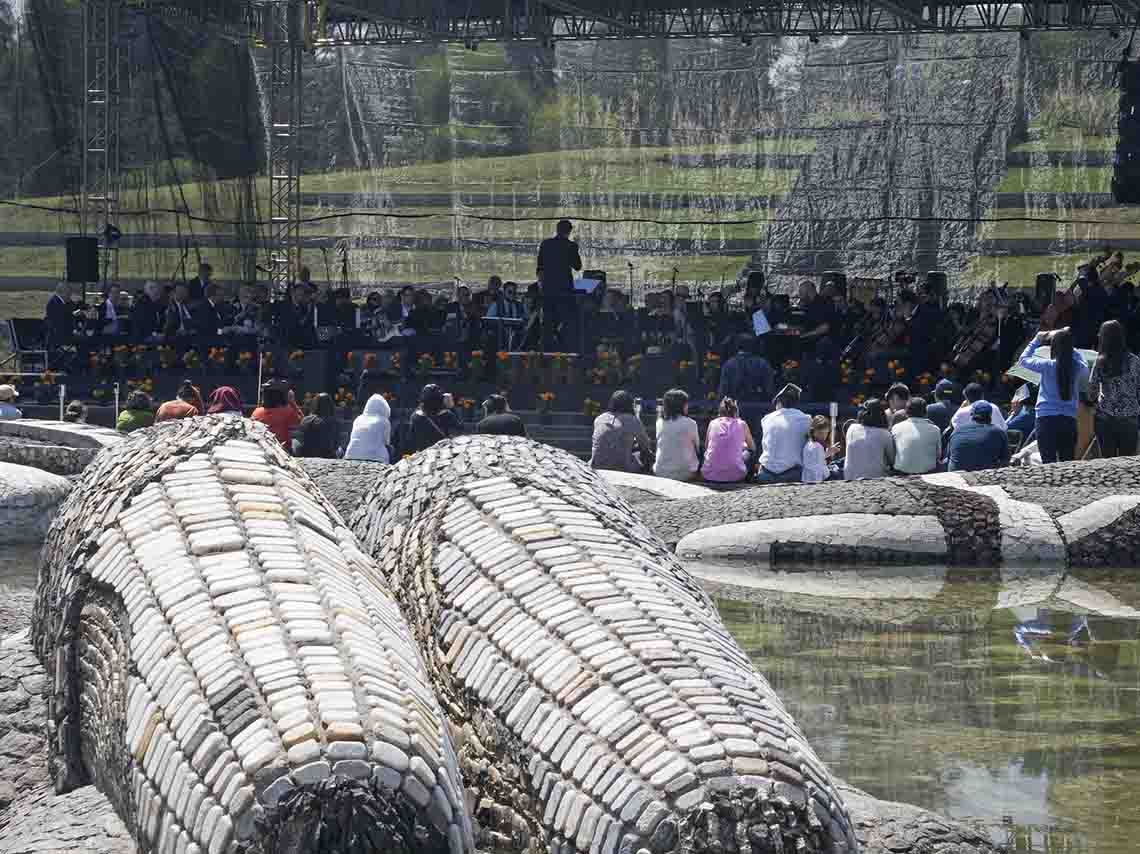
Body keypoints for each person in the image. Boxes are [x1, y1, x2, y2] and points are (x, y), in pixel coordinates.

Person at [1018, 326, 1088, 463]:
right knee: (1066, 463)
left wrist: (1036, 340)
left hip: (1046, 419)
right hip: (1069, 420)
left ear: (1054, 347)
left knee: (1047, 463)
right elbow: (1084, 365)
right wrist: (1069, 345)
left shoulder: (1046, 365)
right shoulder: (1078, 366)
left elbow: (1023, 359)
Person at [1088, 318, 1140, 457]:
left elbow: (1091, 393)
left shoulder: (1100, 362)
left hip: (1105, 418)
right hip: (1130, 419)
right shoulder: (1135, 361)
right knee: (1127, 462)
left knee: (1107, 461)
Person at [536, 219, 582, 352]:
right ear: (569, 231)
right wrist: (576, 248)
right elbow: (578, 267)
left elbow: (540, 267)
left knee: (548, 322)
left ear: (557, 229)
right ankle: (565, 350)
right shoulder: (571, 246)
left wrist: (542, 285)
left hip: (548, 290)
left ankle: (546, 351)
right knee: (566, 321)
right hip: (564, 291)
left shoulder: (545, 244)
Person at [756, 383, 811, 483]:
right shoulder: (806, 419)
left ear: (779, 403)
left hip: (766, 475)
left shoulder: (766, 419)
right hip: (793, 474)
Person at [589, 390, 652, 473]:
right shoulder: (632, 420)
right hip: (621, 468)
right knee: (645, 455)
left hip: (596, 465)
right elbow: (645, 445)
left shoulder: (599, 419)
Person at [703, 397, 757, 483]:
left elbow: (706, 447)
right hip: (736, 475)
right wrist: (743, 447)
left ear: (720, 412)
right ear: (735, 412)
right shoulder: (742, 424)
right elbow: (752, 447)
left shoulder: (712, 423)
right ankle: (749, 478)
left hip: (709, 475)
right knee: (751, 451)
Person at [653, 388, 701, 481]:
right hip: (685, 473)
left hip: (660, 471)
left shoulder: (659, 422)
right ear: (681, 406)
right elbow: (697, 447)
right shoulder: (691, 423)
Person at [947, 401, 1010, 471]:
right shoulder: (998, 432)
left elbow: (949, 456)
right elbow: (1006, 460)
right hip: (981, 477)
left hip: (955, 475)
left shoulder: (957, 430)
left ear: (971, 414)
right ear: (990, 415)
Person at [844, 398, 896, 480]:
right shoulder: (885, 434)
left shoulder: (852, 428)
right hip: (875, 479)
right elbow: (893, 461)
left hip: (850, 477)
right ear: (882, 415)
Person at [404, 384, 462, 456]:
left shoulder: (415, 416)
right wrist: (451, 407)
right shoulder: (448, 415)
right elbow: (458, 436)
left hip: (423, 456)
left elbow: (411, 439)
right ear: (440, 399)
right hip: (444, 455)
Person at [891, 397, 942, 475]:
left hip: (901, 473)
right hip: (928, 473)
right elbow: (938, 455)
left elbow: (893, 453)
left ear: (906, 412)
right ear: (925, 412)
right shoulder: (935, 429)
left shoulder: (896, 428)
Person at [718, 335, 774, 402]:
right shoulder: (763, 364)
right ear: (753, 346)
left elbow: (723, 391)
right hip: (759, 407)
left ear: (737, 346)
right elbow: (769, 390)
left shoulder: (728, 364)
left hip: (735, 407)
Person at [252, 382, 304, 450]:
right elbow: (302, 424)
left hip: (262, 446)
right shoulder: (288, 411)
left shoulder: (256, 412)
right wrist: (292, 402)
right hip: (282, 448)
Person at [344, 394, 393, 463]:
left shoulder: (358, 419)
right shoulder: (384, 421)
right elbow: (386, 442)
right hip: (376, 457)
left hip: (351, 454)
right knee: (390, 449)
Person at [295, 393, 340, 458]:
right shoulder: (335, 422)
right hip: (327, 455)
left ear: (315, 405)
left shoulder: (306, 420)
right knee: (340, 450)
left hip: (307, 454)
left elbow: (301, 439)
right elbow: (336, 444)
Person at [802, 414, 840, 483]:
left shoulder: (809, 444)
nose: (823, 436)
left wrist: (828, 453)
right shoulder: (817, 446)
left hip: (807, 478)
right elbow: (818, 469)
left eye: (826, 433)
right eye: (820, 433)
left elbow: (816, 460)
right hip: (818, 478)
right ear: (813, 431)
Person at [44, 281, 76, 349]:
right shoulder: (55, 303)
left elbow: (72, 307)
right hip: (58, 337)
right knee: (84, 340)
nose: (70, 296)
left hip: (62, 334)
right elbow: (62, 322)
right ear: (63, 293)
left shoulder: (61, 301)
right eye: (69, 294)